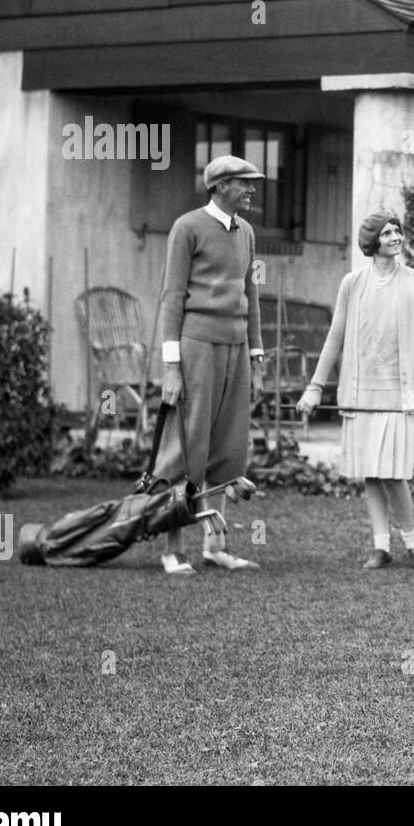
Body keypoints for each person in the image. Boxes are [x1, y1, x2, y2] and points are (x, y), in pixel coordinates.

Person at [296, 212, 414, 571]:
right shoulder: (352, 283)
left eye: (398, 231)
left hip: (400, 392)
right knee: (372, 472)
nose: (396, 237)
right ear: (373, 241)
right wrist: (315, 387)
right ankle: (381, 546)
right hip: (360, 392)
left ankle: (413, 542)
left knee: (394, 472)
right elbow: (336, 336)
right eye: (388, 232)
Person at [155, 154, 266, 575]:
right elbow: (172, 296)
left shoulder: (247, 233)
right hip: (196, 348)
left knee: (229, 446)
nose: (252, 190)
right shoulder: (187, 228)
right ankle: (173, 548)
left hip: (235, 348)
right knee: (188, 446)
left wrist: (255, 353)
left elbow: (250, 295)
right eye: (244, 183)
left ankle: (215, 546)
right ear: (220, 187)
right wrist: (171, 367)